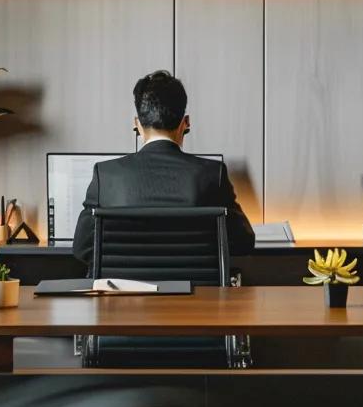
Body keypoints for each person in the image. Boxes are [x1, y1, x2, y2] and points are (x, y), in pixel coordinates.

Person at [72, 70, 257, 267]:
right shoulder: (213, 174)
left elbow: (82, 248)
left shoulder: (106, 175)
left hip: (123, 287)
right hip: (194, 286)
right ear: (185, 123)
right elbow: (243, 243)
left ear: (137, 124)